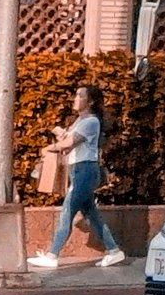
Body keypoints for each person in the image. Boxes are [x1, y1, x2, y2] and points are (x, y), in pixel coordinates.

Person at [32, 87, 115, 272]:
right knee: (91, 214)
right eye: (76, 95)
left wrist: (50, 148)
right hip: (77, 169)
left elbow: (71, 143)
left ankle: (52, 255)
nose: (75, 98)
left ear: (91, 101)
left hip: (85, 170)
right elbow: (70, 140)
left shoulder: (92, 121)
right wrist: (61, 133)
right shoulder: (80, 120)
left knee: (67, 212)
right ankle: (114, 250)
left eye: (80, 96)